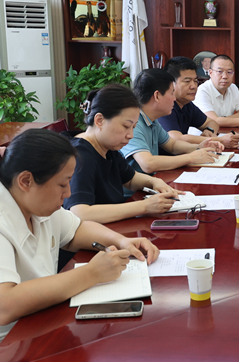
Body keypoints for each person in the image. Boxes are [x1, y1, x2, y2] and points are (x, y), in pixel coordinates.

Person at [0, 129, 160, 340]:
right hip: (12, 345)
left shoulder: (36, 205)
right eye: (62, 184)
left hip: (43, 323)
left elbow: (77, 229)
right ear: (26, 181)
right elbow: (5, 305)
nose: (68, 193)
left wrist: (121, 241)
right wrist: (92, 273)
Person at [64, 84, 182, 224]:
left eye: (133, 127)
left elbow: (131, 179)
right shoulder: (80, 155)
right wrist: (144, 206)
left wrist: (154, 182)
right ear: (99, 120)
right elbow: (80, 213)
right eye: (126, 126)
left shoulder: (108, 148)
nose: (130, 135)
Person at [120, 68, 223, 175]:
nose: (174, 98)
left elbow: (172, 145)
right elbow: (148, 164)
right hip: (137, 185)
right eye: (172, 93)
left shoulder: (152, 120)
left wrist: (198, 147)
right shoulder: (133, 123)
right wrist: (191, 157)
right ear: (157, 96)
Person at [159, 57, 239, 149]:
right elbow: (176, 138)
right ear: (171, 83)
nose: (193, 86)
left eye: (195, 81)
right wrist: (220, 140)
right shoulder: (164, 106)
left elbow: (211, 122)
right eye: (187, 81)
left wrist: (209, 130)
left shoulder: (187, 105)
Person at [193, 55, 239, 127]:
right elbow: (212, 121)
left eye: (229, 72)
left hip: (224, 132)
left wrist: (221, 120)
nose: (225, 76)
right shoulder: (202, 91)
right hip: (202, 134)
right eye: (219, 71)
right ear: (210, 73)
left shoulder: (232, 87)